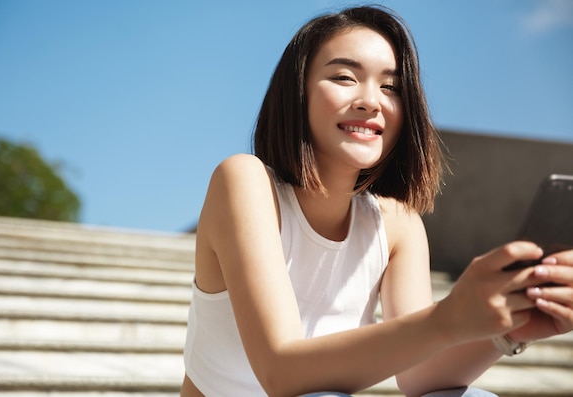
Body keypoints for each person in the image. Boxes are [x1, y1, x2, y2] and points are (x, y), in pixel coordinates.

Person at [180, 5, 573, 397]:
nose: (372, 101)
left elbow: (420, 377)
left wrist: (506, 332)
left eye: (391, 87)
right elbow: (280, 373)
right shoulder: (245, 180)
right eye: (344, 77)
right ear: (296, 93)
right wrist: (449, 316)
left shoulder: (397, 224)